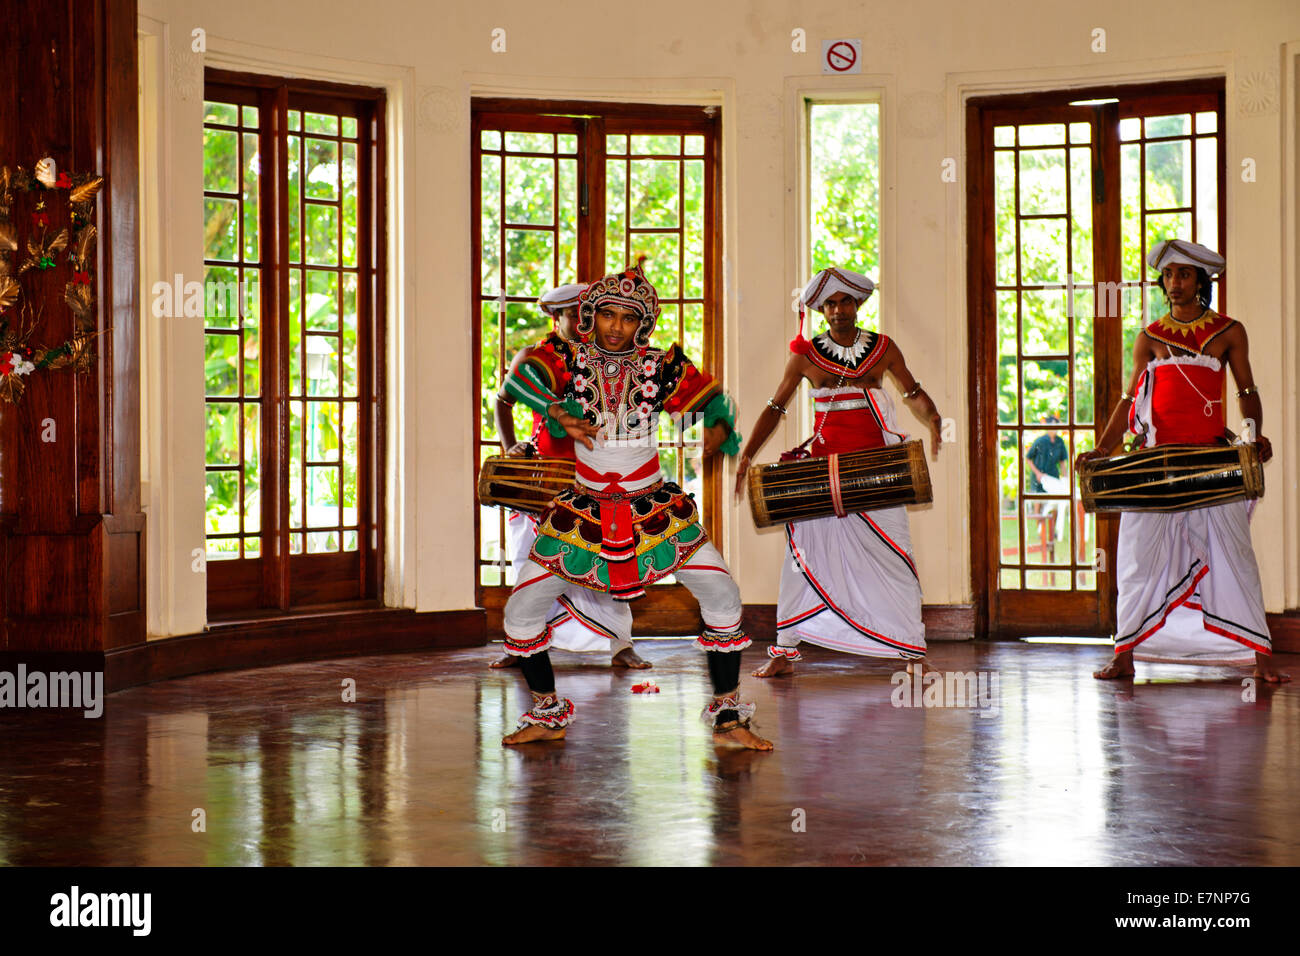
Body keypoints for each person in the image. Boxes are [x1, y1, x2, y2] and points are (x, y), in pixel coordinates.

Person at [497, 259, 773, 749]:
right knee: (521, 609)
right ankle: (546, 713)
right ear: (592, 315)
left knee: (724, 596)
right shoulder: (566, 361)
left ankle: (729, 718)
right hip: (582, 512)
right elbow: (515, 385)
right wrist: (557, 409)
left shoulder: (659, 366)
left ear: (642, 323)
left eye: (629, 318)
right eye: (608, 315)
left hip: (656, 510)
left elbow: (710, 398)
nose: (618, 327)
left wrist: (716, 425)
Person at [1076, 239, 1288, 682]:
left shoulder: (1230, 331)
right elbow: (1129, 398)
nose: (1175, 283)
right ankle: (1125, 654)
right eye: (1169, 275)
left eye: (1185, 274)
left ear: (1200, 281)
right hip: (1157, 465)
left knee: (1234, 554)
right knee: (1136, 557)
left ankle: (1262, 660)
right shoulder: (1150, 338)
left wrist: (1254, 434)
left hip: (1212, 461)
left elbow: (1246, 392)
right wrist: (1102, 449)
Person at [736, 267, 943, 678]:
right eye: (829, 303)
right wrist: (746, 455)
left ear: (858, 303)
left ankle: (913, 653)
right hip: (822, 474)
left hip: (877, 473)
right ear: (820, 309)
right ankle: (784, 651)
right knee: (800, 561)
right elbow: (777, 407)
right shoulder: (804, 354)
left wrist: (934, 418)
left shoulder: (883, 348)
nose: (838, 309)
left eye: (845, 300)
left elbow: (912, 392)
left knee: (896, 557)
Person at [489, 283, 649, 670]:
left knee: (607, 559)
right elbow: (503, 400)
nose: (583, 323)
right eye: (574, 315)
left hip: (597, 474)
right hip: (547, 474)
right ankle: (521, 644)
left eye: (588, 315)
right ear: (555, 317)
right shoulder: (536, 359)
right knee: (532, 560)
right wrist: (512, 446)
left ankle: (620, 644)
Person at [1025, 415, 1069, 575]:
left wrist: (1065, 479)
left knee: (1055, 504)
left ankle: (1053, 531)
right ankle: (1040, 531)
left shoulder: (1059, 443)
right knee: (1039, 504)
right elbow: (1028, 458)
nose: (1054, 429)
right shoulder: (1040, 441)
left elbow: (1063, 462)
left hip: (1053, 479)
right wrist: (1037, 473)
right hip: (1039, 478)